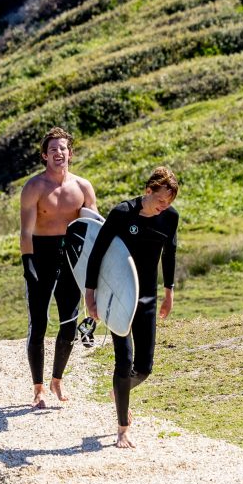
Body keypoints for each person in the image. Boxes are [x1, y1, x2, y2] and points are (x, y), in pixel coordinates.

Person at [83, 165, 180, 448]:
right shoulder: (122, 213)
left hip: (147, 297)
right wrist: (90, 295)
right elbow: (97, 253)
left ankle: (119, 389)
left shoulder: (170, 218)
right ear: (148, 191)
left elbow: (170, 253)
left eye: (170, 202)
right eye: (161, 199)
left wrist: (169, 291)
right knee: (123, 361)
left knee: (144, 368)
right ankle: (122, 428)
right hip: (119, 295)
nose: (165, 206)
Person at [19, 127, 97, 410]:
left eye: (63, 148)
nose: (58, 153)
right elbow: (26, 232)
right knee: (38, 323)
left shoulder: (83, 187)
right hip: (41, 255)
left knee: (68, 323)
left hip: (72, 258)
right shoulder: (34, 187)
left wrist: (95, 266)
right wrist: (28, 264)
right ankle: (38, 388)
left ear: (70, 153)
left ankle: (57, 379)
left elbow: (93, 229)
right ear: (45, 155)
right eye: (53, 150)